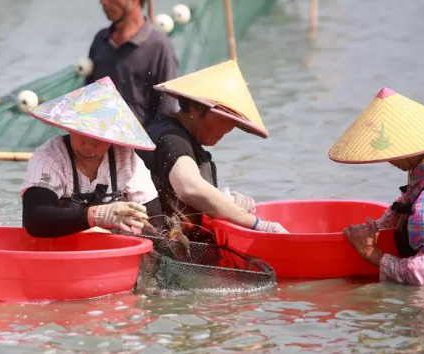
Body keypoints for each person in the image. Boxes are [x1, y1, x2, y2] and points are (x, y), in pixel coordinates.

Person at [328, 87, 424, 286]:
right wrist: (380, 225)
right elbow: (410, 197)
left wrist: (371, 253)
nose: (388, 160)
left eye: (393, 152)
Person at [136, 60, 289, 242]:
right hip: (166, 247)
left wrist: (227, 201)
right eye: (224, 120)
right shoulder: (172, 139)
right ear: (195, 108)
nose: (228, 129)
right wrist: (256, 223)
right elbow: (189, 187)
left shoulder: (181, 134)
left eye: (234, 123)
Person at [20, 76, 163, 237]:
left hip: (110, 252)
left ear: (113, 137)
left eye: (97, 138)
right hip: (56, 250)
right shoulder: (49, 157)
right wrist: (96, 216)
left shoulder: (127, 160)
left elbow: (155, 224)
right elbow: (35, 220)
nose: (87, 145)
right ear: (70, 127)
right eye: (82, 133)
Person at [86, 0, 179, 126]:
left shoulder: (159, 46)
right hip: (100, 139)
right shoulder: (100, 40)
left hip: (141, 141)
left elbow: (165, 111)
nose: (103, 2)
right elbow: (88, 97)